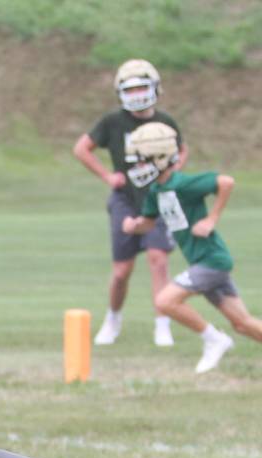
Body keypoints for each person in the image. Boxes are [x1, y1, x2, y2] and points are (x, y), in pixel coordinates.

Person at [122, 122, 261, 373]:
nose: (137, 167)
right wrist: (134, 226)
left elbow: (226, 182)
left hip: (212, 261)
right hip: (202, 262)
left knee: (164, 301)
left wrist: (211, 219)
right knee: (243, 324)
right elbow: (149, 222)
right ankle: (217, 339)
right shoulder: (157, 190)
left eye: (142, 161)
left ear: (161, 158)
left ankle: (214, 340)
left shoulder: (183, 184)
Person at [72, 60, 184, 347]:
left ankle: (163, 324)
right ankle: (113, 318)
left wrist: (170, 173)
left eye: (141, 88)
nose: (135, 94)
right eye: (129, 89)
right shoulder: (113, 122)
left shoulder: (165, 122)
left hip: (158, 199)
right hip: (125, 200)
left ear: (154, 88)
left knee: (158, 260)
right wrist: (108, 176)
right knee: (122, 271)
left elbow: (181, 151)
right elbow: (81, 148)